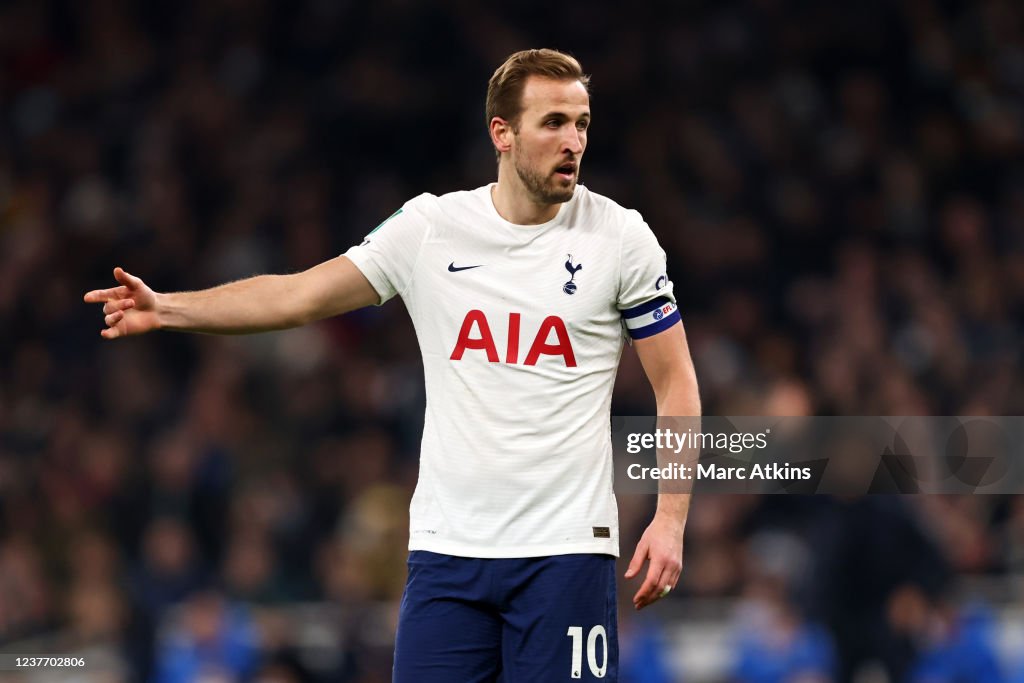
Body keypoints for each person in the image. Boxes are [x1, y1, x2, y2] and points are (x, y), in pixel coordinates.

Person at [85, 48, 701, 682]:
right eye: (553, 123)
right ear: (502, 132)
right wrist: (168, 309)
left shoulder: (621, 239)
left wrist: (671, 518)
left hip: (565, 555)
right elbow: (301, 294)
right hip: (446, 555)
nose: (573, 141)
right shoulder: (431, 227)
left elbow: (675, 379)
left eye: (582, 124)